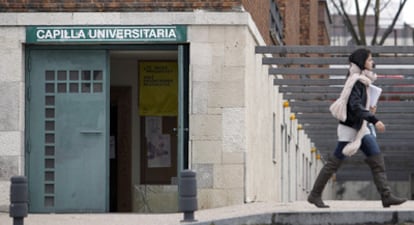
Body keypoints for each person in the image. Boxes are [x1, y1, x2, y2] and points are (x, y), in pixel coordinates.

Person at [307, 48, 407, 208]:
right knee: (335, 162)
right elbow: (355, 106)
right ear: (362, 63)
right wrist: (374, 119)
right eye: (369, 59)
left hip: (360, 127)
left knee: (376, 159)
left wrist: (370, 111)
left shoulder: (362, 81)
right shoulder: (356, 81)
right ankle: (314, 194)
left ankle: (386, 196)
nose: (372, 62)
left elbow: (359, 105)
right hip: (351, 128)